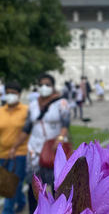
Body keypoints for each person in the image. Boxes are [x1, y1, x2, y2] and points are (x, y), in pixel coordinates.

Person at [9, 73, 70, 214]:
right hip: (34, 150)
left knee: (58, 184)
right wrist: (15, 146)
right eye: (41, 84)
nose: (44, 87)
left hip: (53, 149)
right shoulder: (33, 106)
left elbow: (65, 124)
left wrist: (60, 139)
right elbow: (27, 128)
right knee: (34, 185)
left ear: (53, 86)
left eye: (47, 84)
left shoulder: (61, 103)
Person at [0, 82, 28, 214]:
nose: (10, 96)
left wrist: (15, 148)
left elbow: (28, 131)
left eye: (13, 93)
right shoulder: (1, 111)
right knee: (7, 182)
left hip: (19, 153)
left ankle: (7, 211)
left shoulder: (26, 111)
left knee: (11, 185)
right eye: (8, 93)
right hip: (2, 153)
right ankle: (22, 201)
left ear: (19, 94)